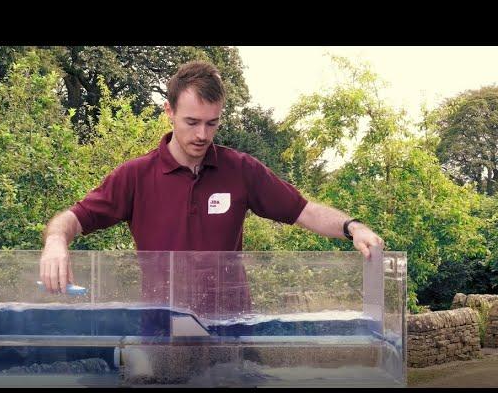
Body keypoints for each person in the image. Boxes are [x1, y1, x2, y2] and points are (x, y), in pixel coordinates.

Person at [39, 60, 384, 304]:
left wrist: (353, 227)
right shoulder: (135, 176)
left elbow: (303, 211)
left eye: (212, 123)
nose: (202, 134)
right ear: (169, 112)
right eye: (192, 121)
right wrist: (56, 240)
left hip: (230, 332)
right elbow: (74, 218)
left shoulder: (240, 170)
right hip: (161, 331)